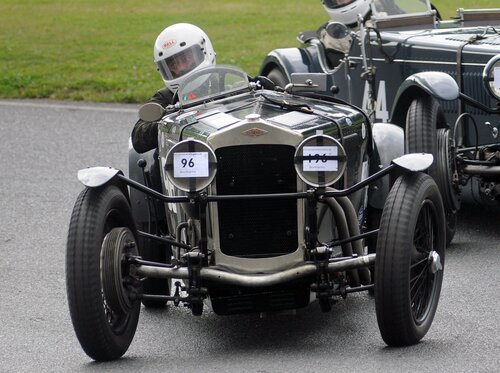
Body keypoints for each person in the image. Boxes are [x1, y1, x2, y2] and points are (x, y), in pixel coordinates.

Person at [131, 23, 216, 154]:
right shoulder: (165, 97)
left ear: (204, 51)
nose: (181, 68)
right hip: (181, 163)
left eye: (186, 58)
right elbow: (138, 137)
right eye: (173, 64)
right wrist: (170, 122)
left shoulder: (225, 85)